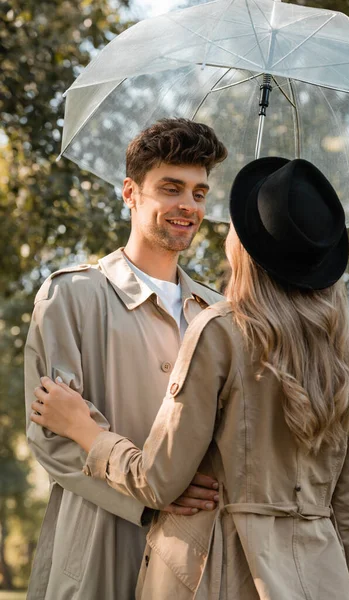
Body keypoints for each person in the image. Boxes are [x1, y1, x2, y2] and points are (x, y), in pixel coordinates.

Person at [31, 157, 349, 600]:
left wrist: (86, 431)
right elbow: (347, 510)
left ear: (245, 245)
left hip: (223, 571)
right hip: (321, 578)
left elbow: (156, 481)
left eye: (204, 197)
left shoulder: (221, 329)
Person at [24, 118, 227, 600]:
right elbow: (53, 437)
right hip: (96, 544)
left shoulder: (220, 314)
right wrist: (156, 491)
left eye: (199, 193)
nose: (188, 206)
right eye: (171, 188)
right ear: (130, 193)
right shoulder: (69, 296)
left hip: (196, 555)